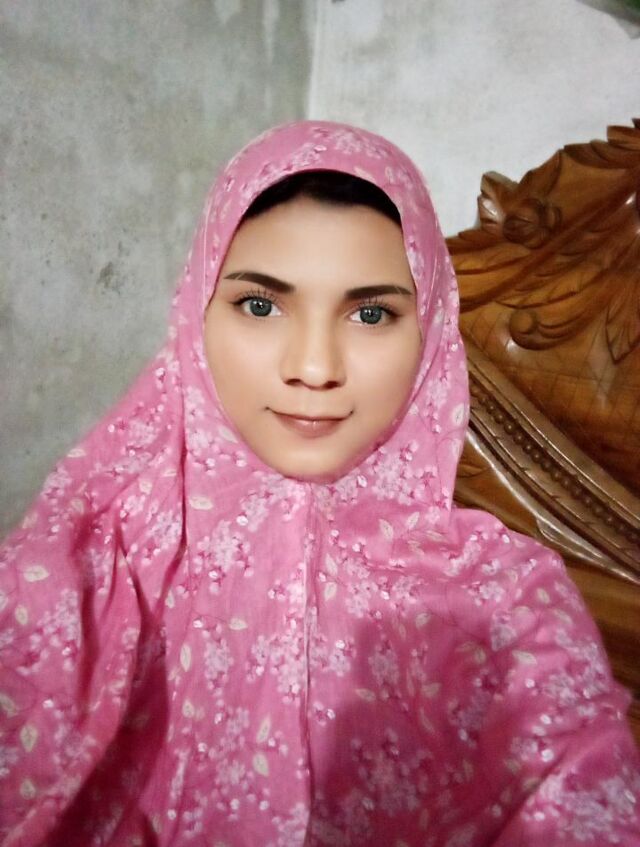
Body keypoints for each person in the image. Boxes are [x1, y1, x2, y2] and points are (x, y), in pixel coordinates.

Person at [0, 121, 638, 847]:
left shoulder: (512, 608)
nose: (313, 367)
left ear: (431, 331)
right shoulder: (77, 576)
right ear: (194, 311)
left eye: (370, 314)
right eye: (260, 305)